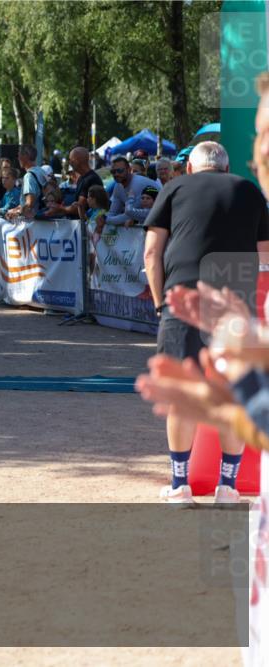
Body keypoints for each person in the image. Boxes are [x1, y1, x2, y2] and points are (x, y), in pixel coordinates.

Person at [142, 141, 269, 504]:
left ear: (191, 169)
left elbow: (152, 252)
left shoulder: (173, 188)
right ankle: (227, 487)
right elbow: (265, 257)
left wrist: (157, 303)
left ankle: (180, 485)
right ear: (226, 169)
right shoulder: (249, 192)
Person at [44, 147, 102, 219]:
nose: (70, 162)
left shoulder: (91, 179)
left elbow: (80, 207)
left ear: (77, 160)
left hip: (89, 225)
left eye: (70, 159)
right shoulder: (82, 178)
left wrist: (60, 208)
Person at [103, 156, 160, 228]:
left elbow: (130, 214)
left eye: (120, 171)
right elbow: (113, 212)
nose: (116, 174)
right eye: (113, 172)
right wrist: (103, 218)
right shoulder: (118, 186)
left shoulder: (137, 183)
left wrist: (106, 219)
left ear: (129, 170)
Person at [6, 145, 47, 220]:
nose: (18, 158)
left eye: (19, 155)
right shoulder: (42, 171)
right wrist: (15, 209)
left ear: (26, 156)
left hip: (32, 222)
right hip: (43, 219)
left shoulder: (29, 176)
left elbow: (29, 204)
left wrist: (17, 212)